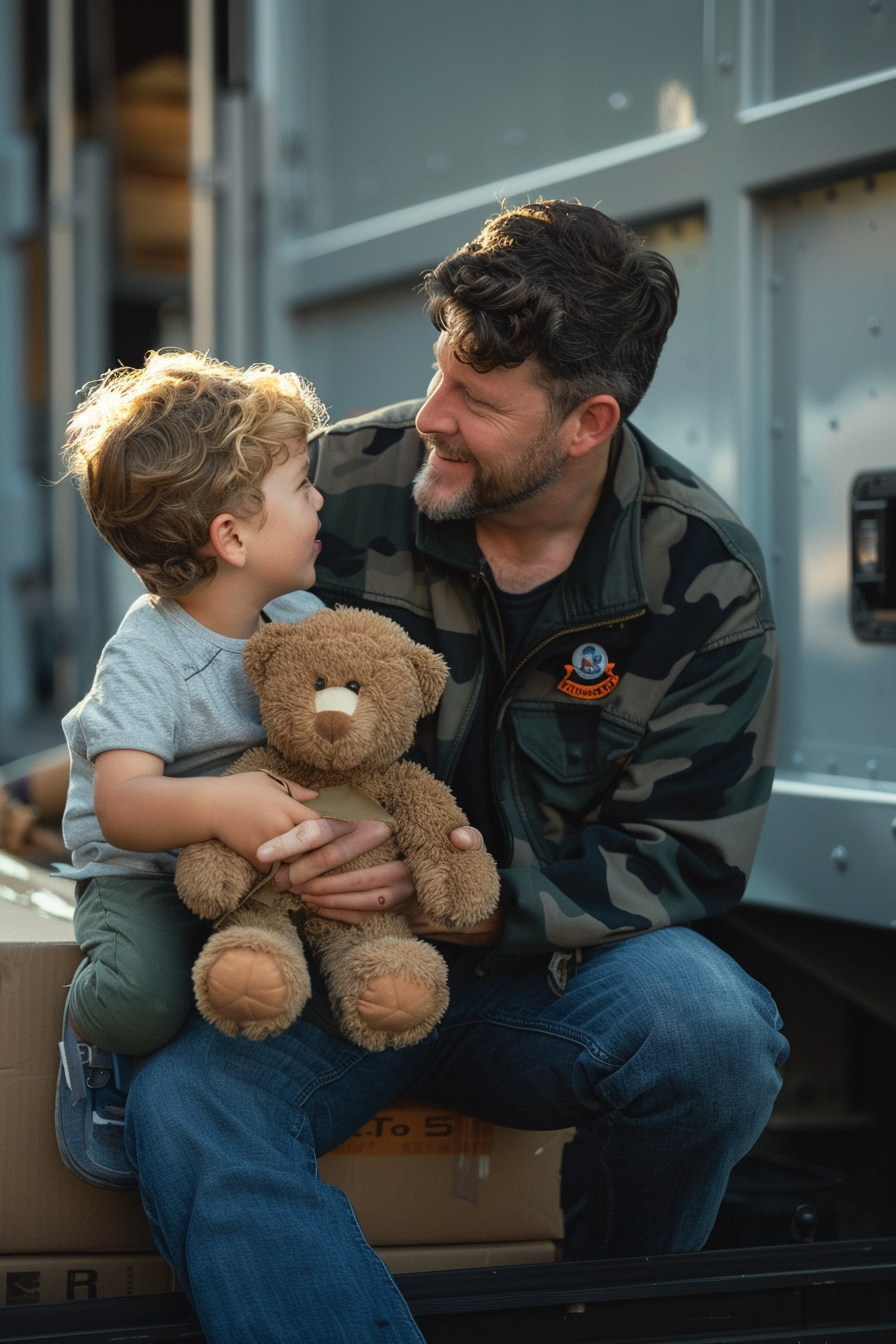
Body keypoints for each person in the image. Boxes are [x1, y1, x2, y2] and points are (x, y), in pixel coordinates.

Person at [123, 202, 788, 1344]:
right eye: (437, 372)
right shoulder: (332, 492)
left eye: (477, 403)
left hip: (547, 978)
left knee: (711, 1033)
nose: (431, 416)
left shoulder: (699, 571)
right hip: (322, 956)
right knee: (184, 1108)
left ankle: (611, 1317)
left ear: (587, 422)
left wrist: (474, 906)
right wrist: (260, 839)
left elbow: (683, 854)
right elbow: (178, 685)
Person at [55, 351, 330, 1185]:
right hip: (141, 870)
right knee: (149, 1001)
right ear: (233, 536)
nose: (321, 501)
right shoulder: (148, 654)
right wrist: (222, 804)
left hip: (245, 867)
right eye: (303, 487)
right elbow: (124, 805)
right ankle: (87, 1032)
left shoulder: (302, 618)